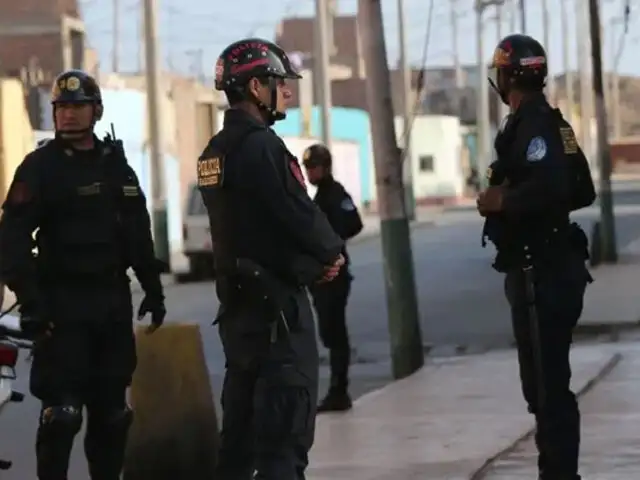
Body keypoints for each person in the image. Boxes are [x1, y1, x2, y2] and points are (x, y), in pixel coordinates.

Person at [0, 69, 166, 480]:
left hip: (111, 304)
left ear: (96, 111)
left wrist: (152, 286)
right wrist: (33, 301)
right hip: (62, 307)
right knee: (62, 415)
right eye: (62, 108)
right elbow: (12, 239)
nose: (69, 115)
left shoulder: (117, 166)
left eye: (78, 107)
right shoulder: (40, 167)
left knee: (112, 414)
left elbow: (136, 229)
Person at [199, 39, 345, 479]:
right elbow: (296, 213)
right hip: (277, 316)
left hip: (239, 314)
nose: (286, 93)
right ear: (255, 87)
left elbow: (251, 229)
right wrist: (329, 253)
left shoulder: (214, 152)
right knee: (282, 444)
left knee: (239, 448)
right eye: (278, 84)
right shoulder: (261, 146)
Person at [477, 34, 595, 480]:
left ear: (507, 76)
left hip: (541, 271)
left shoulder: (536, 126)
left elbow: (561, 189)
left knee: (548, 389)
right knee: (543, 387)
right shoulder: (543, 122)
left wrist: (503, 201)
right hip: (540, 267)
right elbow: (581, 186)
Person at [302, 143, 363, 412]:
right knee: (330, 333)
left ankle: (340, 391)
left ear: (325, 167)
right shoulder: (319, 197)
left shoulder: (334, 195)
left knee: (335, 334)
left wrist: (331, 242)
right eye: (307, 168)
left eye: (313, 167)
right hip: (323, 277)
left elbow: (354, 223)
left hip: (334, 276)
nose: (310, 172)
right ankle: (338, 389)